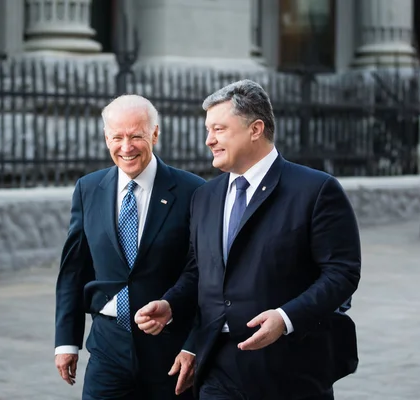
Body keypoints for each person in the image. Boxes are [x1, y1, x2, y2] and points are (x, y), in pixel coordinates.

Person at [134, 79, 362, 400]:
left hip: (291, 366)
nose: (208, 140)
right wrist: (172, 303)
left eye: (219, 129)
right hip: (218, 366)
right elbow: (201, 272)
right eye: (208, 130)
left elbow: (342, 273)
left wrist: (285, 319)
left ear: (255, 129)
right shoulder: (205, 196)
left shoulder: (316, 190)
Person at [54, 94, 204, 400]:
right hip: (108, 345)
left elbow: (203, 272)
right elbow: (74, 269)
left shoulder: (193, 191)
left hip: (169, 348)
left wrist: (194, 344)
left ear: (156, 134)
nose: (126, 147)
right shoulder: (88, 188)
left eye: (137, 136)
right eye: (117, 137)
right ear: (106, 137)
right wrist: (66, 342)